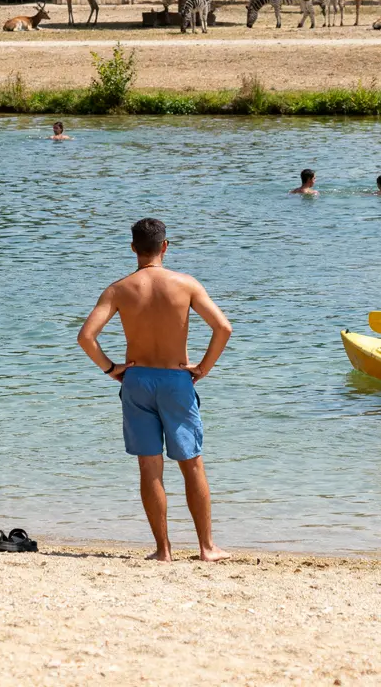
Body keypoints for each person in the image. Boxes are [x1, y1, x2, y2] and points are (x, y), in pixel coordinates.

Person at [77, 218, 232, 563]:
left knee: (150, 467)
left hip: (137, 380)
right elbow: (223, 327)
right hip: (177, 379)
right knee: (192, 465)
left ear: (133, 248)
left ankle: (163, 551)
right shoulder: (186, 284)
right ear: (165, 246)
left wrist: (111, 368)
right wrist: (202, 369)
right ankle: (207, 548)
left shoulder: (118, 290)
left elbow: (86, 337)